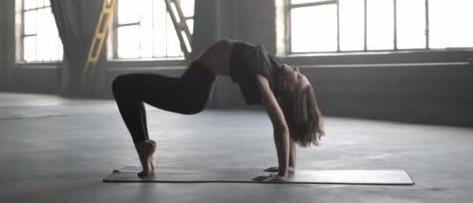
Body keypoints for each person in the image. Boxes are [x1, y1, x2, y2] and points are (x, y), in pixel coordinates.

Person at [111, 39, 325, 181]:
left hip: (190, 93)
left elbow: (281, 127)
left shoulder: (262, 78)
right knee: (127, 88)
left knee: (122, 85)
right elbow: (287, 118)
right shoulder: (271, 66)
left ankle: (142, 147)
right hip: (193, 84)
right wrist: (289, 166)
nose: (297, 69)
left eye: (298, 76)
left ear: (286, 85)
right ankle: (144, 147)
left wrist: (283, 173)